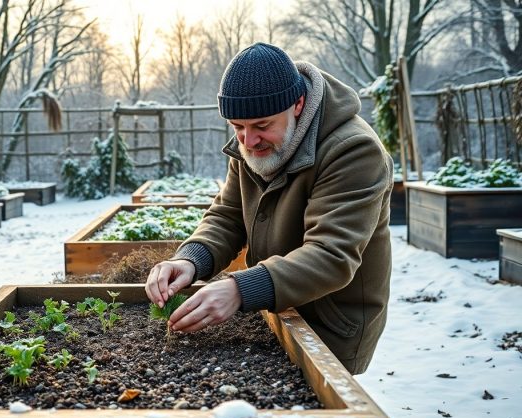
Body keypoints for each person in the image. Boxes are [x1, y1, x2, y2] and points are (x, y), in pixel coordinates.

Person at [145, 43, 393, 374]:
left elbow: (332, 255)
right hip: (272, 306)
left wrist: (239, 289)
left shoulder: (354, 151)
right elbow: (228, 215)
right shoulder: (253, 144)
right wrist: (190, 260)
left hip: (330, 322)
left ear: (298, 104)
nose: (248, 141)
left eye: (262, 125)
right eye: (237, 126)